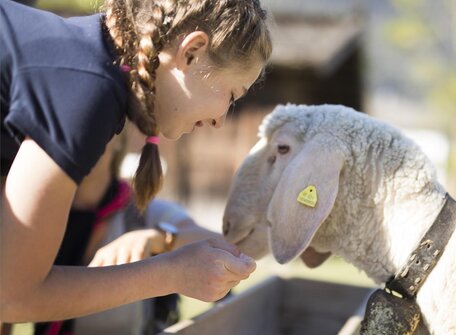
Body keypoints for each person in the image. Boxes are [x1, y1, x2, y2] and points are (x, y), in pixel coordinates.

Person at [0, 0, 272, 324]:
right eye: (231, 96)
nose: (220, 121)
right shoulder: (86, 88)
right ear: (191, 52)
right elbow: (13, 296)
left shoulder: (85, 62)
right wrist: (172, 273)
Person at [30, 132, 223, 335]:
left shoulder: (141, 213)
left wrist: (158, 238)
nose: (78, 136)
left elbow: (226, 245)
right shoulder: (38, 215)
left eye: (97, 124)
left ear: (119, 138)